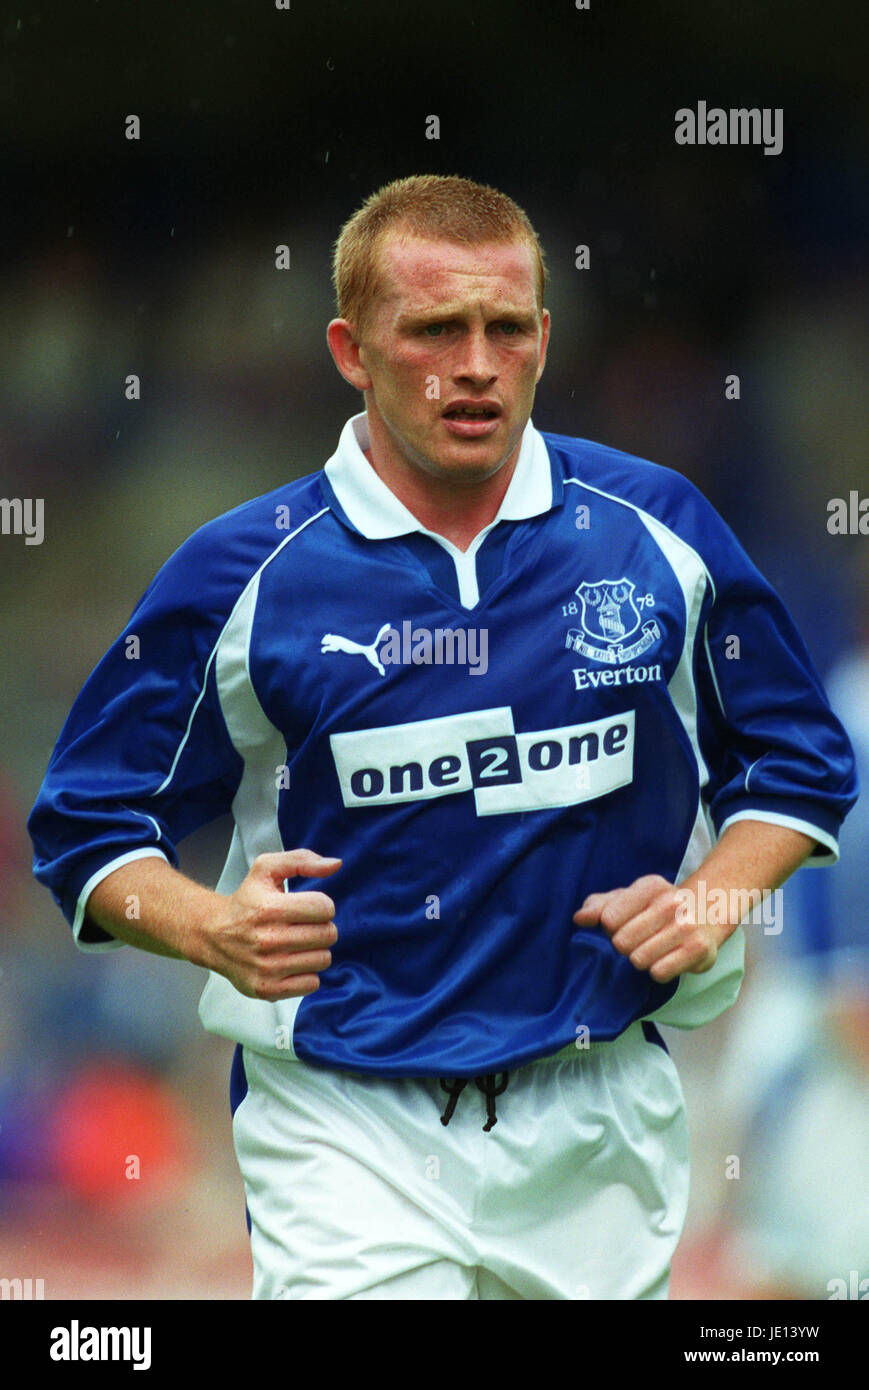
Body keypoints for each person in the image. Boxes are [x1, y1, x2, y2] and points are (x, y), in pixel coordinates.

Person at [29, 174, 858, 1301]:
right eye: (432, 329)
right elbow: (87, 823)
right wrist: (209, 924)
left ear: (542, 339)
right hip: (342, 1118)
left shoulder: (656, 531)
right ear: (350, 349)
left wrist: (711, 897)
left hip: (598, 1115)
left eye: (504, 328)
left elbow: (797, 763)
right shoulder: (243, 571)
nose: (474, 363)